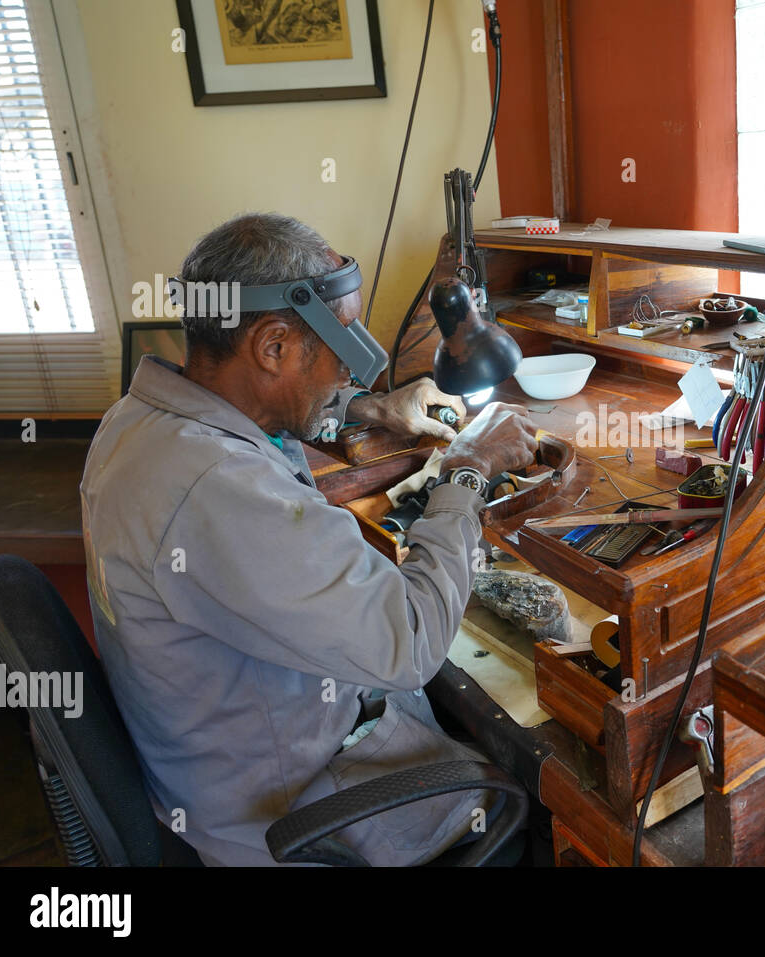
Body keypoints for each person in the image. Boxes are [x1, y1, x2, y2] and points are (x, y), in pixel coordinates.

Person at [80, 213, 537, 865]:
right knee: (530, 779)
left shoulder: (134, 421)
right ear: (271, 347)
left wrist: (364, 407)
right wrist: (468, 467)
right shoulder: (216, 489)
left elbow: (244, 419)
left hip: (219, 760)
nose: (352, 368)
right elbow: (409, 643)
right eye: (344, 343)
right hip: (296, 815)